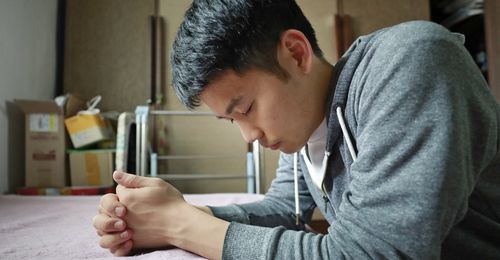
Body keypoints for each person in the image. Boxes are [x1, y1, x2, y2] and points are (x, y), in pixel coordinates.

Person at [92, 0, 500, 259]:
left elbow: (374, 254)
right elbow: (283, 210)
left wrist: (182, 226)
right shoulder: (307, 130)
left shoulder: (411, 62)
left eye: (246, 108)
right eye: (231, 120)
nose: (249, 136)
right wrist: (174, 215)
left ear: (295, 52)